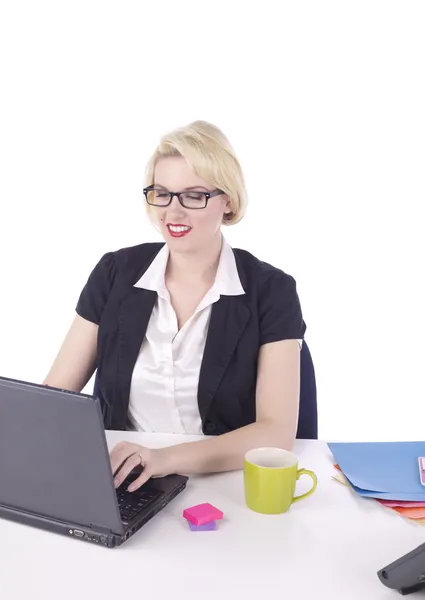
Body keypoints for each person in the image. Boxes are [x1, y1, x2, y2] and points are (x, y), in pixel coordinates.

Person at [43, 120, 306, 492]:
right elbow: (55, 395)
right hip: (124, 479)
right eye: (162, 193)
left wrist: (164, 460)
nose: (173, 211)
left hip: (226, 484)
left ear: (227, 200)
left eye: (194, 195)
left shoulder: (271, 290)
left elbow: (276, 432)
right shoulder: (115, 273)